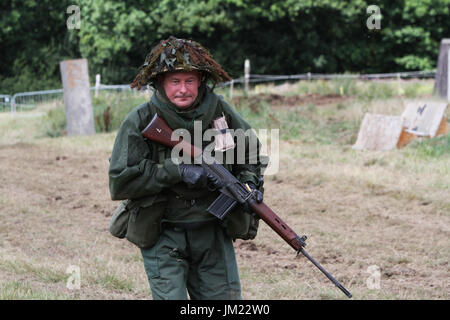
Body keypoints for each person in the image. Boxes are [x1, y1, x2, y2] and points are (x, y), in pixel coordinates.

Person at [108, 36, 265, 300]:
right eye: (175, 81)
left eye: (189, 80)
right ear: (160, 82)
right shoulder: (141, 120)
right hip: (163, 232)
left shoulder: (221, 113)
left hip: (213, 232)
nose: (183, 89)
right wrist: (176, 170)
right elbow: (121, 180)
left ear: (201, 81)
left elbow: (250, 152)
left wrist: (249, 183)